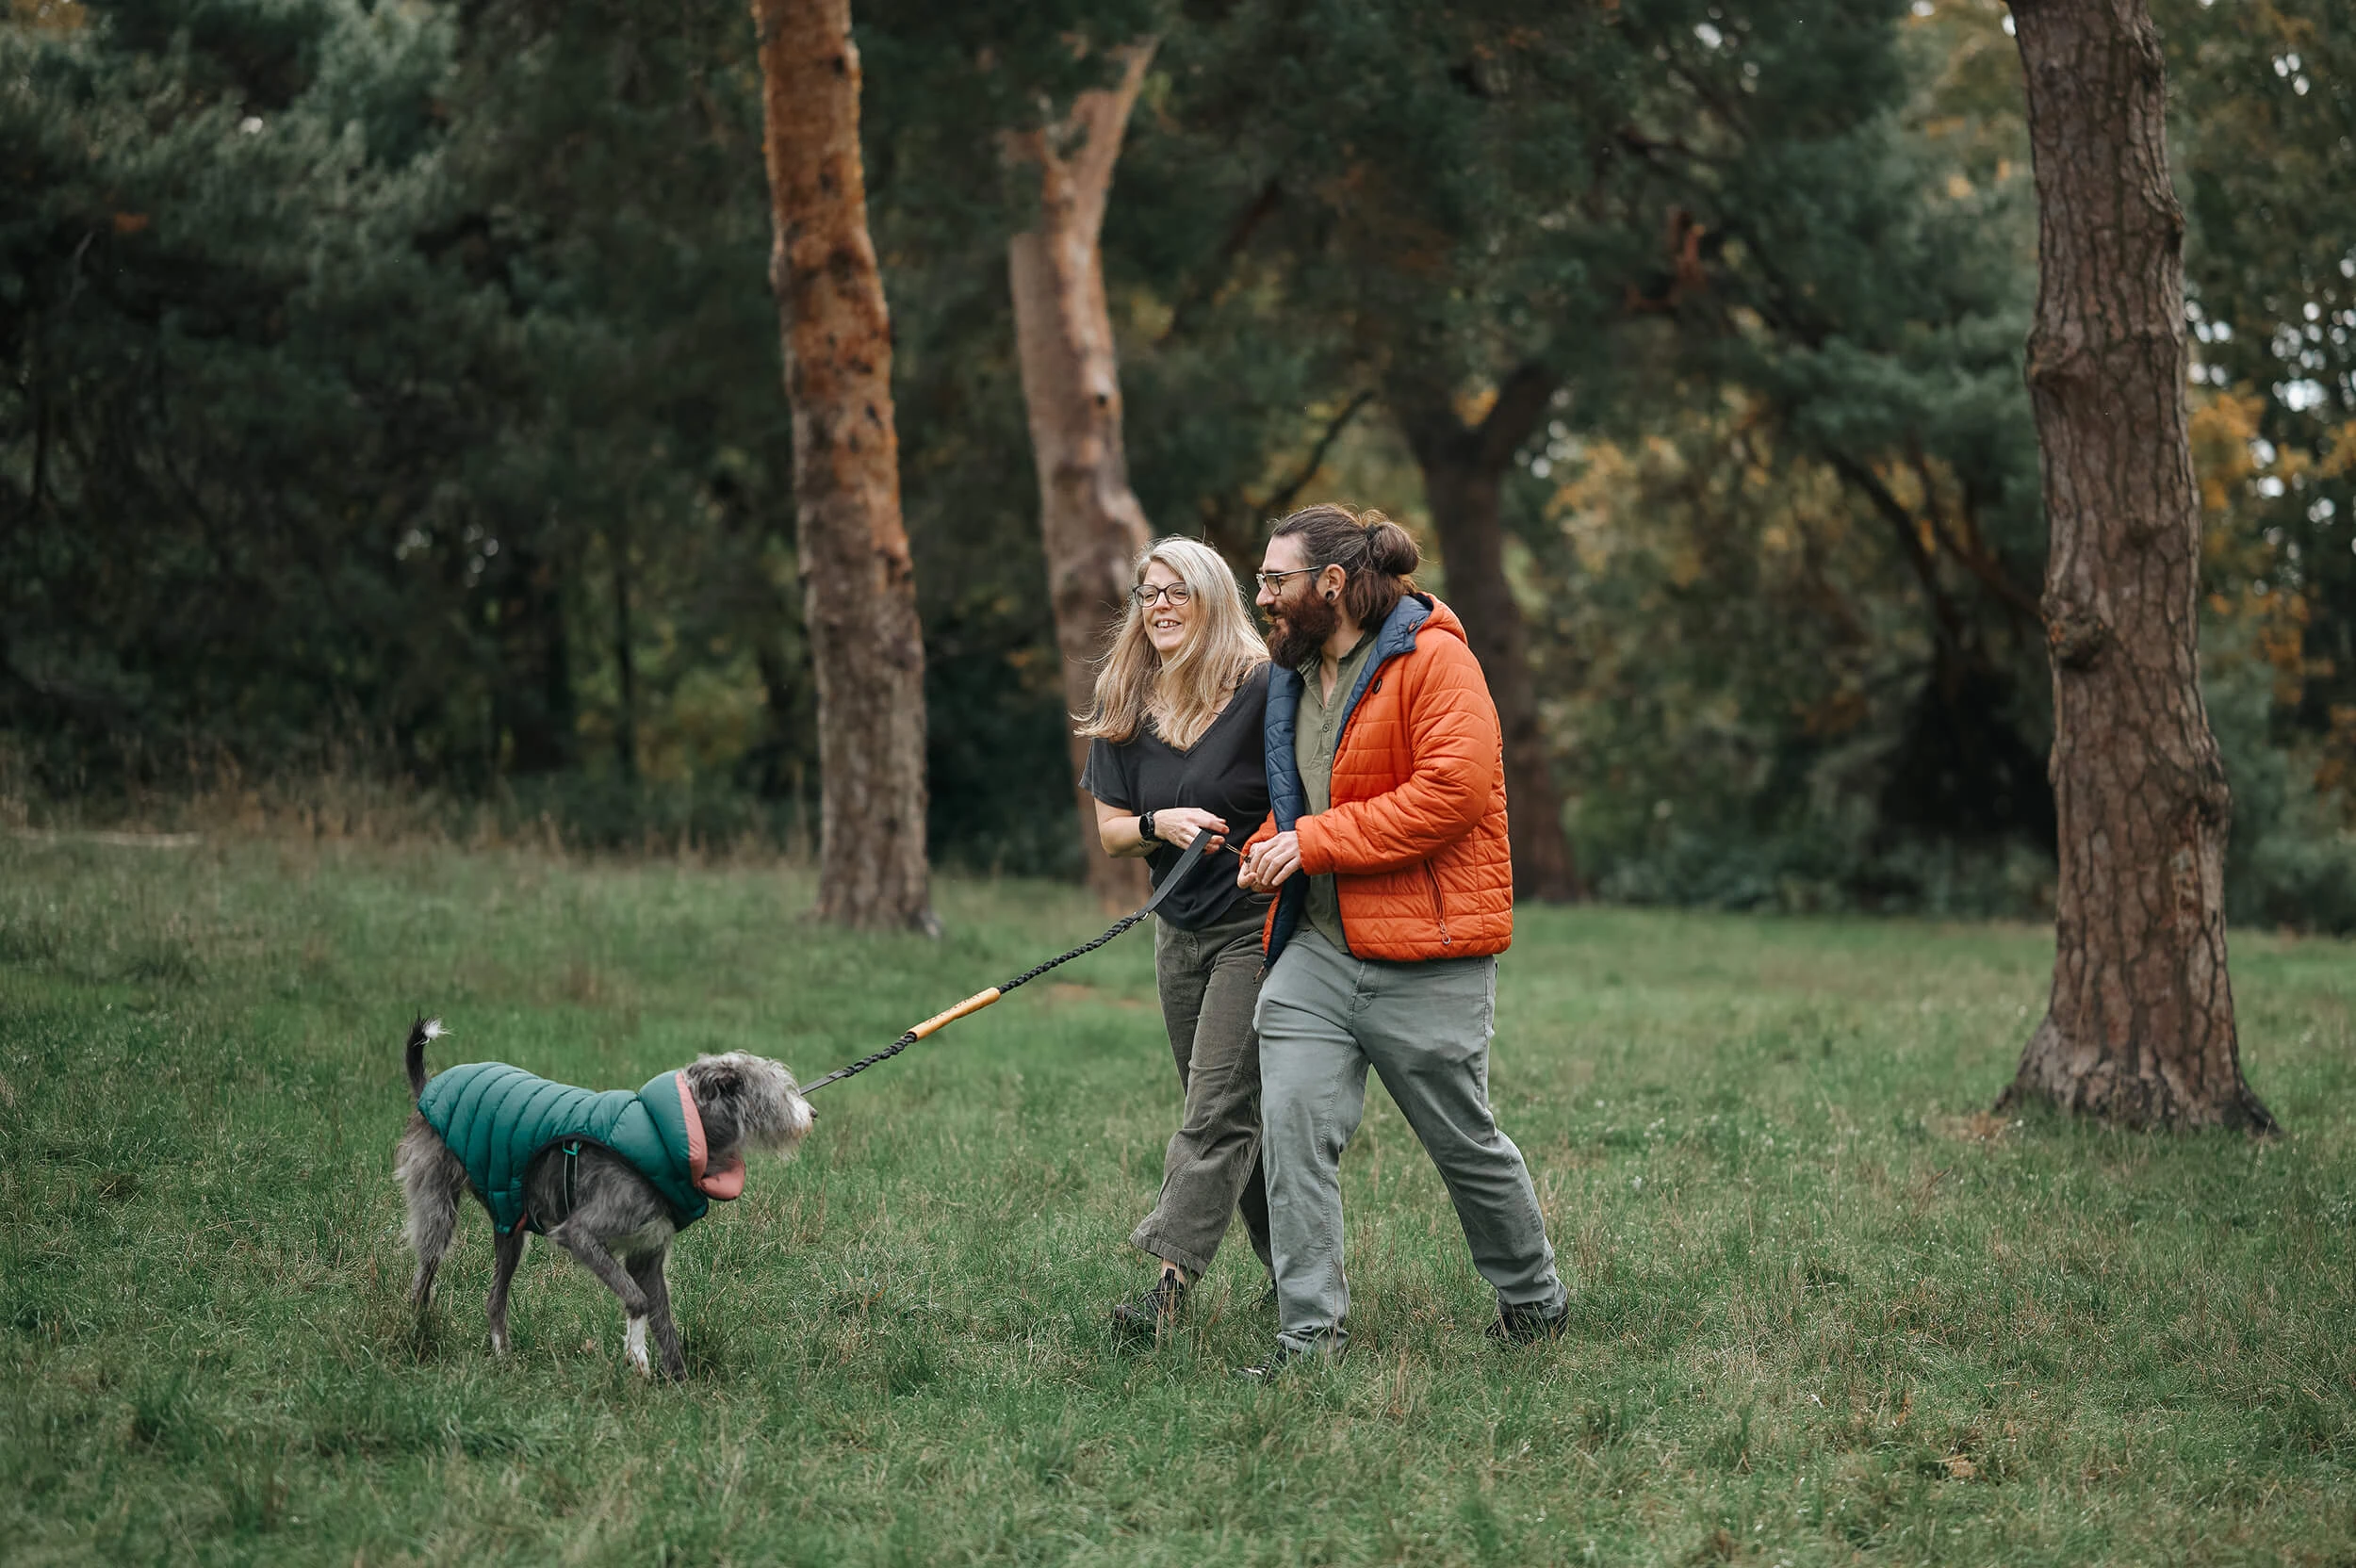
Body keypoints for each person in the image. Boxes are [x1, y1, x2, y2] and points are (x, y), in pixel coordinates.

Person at [1233, 503, 1567, 1377]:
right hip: (1317, 950)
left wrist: (1308, 842)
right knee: (1292, 1124)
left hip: (1428, 957)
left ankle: (1534, 1302)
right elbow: (1308, 795)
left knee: (1465, 1143)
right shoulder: (1293, 679)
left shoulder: (1437, 661)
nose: (1262, 594)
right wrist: (1270, 844)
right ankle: (1309, 1337)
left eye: (1277, 579)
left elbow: (1448, 796)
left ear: (1333, 584)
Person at [1075, 536, 1277, 1334]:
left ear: (1213, 598)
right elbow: (1113, 834)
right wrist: (1160, 821)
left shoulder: (1263, 689)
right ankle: (1299, 1274)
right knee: (1229, 1110)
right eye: (1146, 593)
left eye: (1176, 592)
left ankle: (1167, 1289)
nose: (1157, 605)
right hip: (1177, 930)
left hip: (1253, 927)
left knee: (1216, 1109)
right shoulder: (1125, 695)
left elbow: (1305, 793)